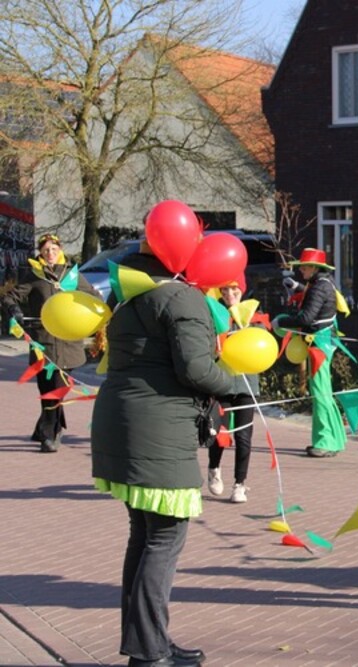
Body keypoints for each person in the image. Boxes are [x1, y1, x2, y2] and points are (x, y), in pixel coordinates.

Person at [91, 240, 233, 666]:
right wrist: (235, 384)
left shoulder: (126, 296)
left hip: (124, 423)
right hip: (158, 430)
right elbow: (195, 368)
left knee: (144, 536)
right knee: (165, 538)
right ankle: (149, 652)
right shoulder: (181, 296)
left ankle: (149, 643)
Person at [2, 233, 101, 453]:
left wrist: (92, 316)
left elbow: (94, 297)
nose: (50, 254)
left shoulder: (72, 275)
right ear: (40, 253)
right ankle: (44, 427)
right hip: (43, 343)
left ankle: (50, 434)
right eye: (46, 250)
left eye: (54, 250)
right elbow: (9, 297)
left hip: (69, 343)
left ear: (60, 250)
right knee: (46, 388)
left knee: (58, 388)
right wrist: (14, 310)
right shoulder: (34, 275)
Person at [280, 248, 348, 458]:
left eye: (304, 267)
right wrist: (297, 287)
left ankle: (325, 441)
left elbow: (305, 318)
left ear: (314, 268)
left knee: (320, 392)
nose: (301, 270)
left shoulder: (319, 286)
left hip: (319, 343)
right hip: (323, 341)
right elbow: (314, 297)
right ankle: (332, 439)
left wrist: (280, 322)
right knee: (323, 390)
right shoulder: (322, 283)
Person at [206, 276, 260, 504]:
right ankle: (214, 468)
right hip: (222, 382)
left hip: (247, 383)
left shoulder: (252, 314)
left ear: (242, 290)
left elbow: (261, 343)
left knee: (243, 436)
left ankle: (239, 484)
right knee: (220, 432)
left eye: (234, 289)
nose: (229, 294)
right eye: (225, 289)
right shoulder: (214, 313)